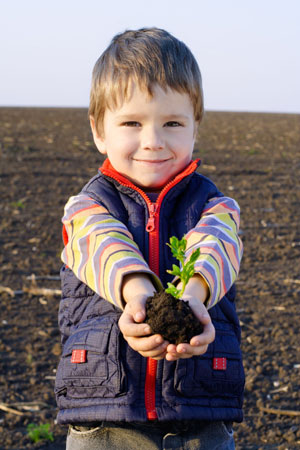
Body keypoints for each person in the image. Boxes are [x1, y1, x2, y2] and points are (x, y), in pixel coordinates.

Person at [55, 27, 244, 450]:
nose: (153, 141)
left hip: (199, 425)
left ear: (196, 127)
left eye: (173, 122)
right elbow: (103, 246)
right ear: (98, 130)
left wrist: (193, 298)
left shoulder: (216, 206)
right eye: (132, 123)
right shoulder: (86, 208)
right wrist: (140, 299)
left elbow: (216, 247)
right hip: (105, 425)